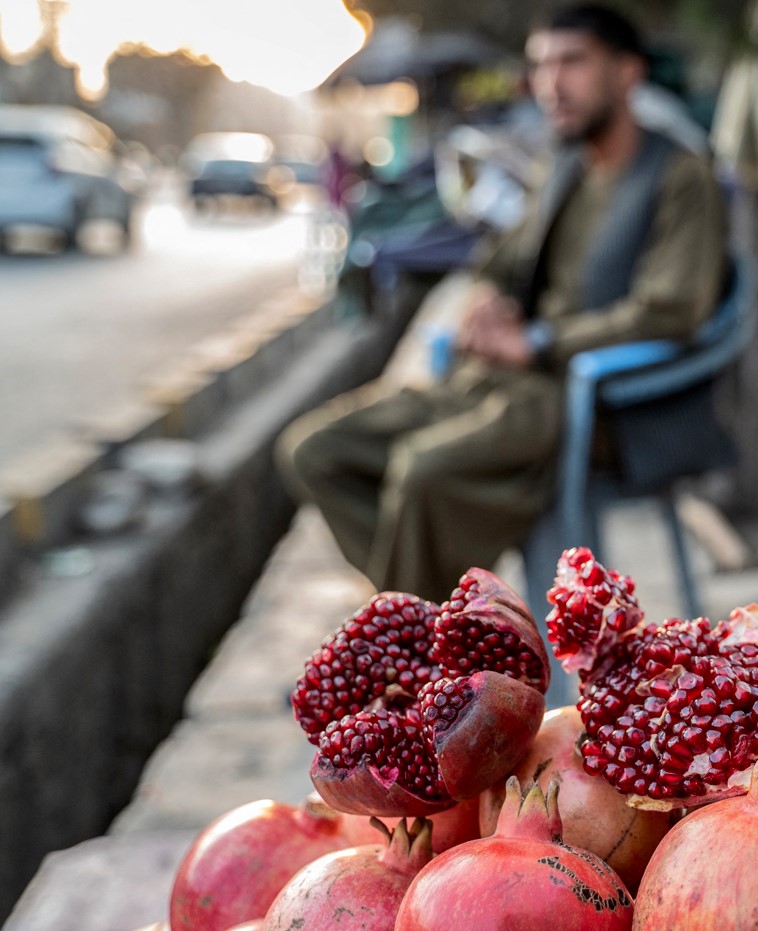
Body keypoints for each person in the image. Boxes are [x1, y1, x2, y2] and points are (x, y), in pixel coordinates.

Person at [277, 4, 728, 603]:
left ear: (627, 73)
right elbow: (502, 257)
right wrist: (487, 298)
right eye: (541, 66)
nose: (551, 84)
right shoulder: (565, 164)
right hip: (502, 383)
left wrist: (538, 341)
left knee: (423, 471)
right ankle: (446, 621)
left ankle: (422, 636)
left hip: (591, 401)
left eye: (572, 62)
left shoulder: (679, 175)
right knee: (315, 451)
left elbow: (670, 309)